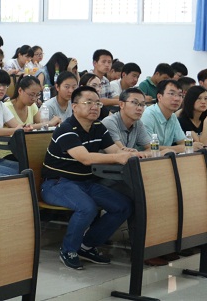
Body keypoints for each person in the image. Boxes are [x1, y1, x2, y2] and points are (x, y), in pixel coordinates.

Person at [41, 86, 136, 270]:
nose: (95, 107)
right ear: (75, 107)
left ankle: (86, 246)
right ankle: (68, 250)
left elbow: (114, 151)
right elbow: (85, 158)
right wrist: (118, 157)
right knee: (87, 208)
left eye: (98, 103)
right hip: (56, 184)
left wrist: (130, 153)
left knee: (123, 206)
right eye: (88, 102)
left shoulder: (98, 127)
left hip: (85, 182)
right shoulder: (66, 129)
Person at [140, 79, 187, 153]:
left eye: (180, 95)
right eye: (171, 94)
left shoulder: (173, 117)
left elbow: (182, 142)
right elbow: (150, 147)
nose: (177, 99)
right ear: (159, 97)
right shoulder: (148, 115)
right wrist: (182, 148)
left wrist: (188, 146)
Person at [101, 88, 152, 153]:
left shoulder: (138, 123)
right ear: (121, 104)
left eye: (142, 104)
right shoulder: (109, 122)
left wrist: (140, 154)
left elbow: (152, 148)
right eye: (134, 102)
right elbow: (120, 152)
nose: (139, 108)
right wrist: (139, 154)